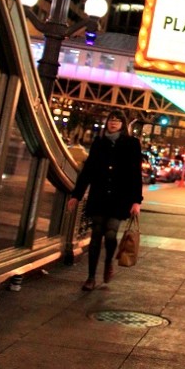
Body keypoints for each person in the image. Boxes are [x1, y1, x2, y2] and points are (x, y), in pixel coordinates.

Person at [66, 109, 143, 292]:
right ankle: (91, 277)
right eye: (110, 120)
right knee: (95, 237)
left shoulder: (132, 144)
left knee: (110, 234)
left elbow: (135, 173)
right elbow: (88, 171)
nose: (113, 123)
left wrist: (136, 201)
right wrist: (77, 195)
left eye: (117, 120)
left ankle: (108, 262)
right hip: (99, 195)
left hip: (119, 197)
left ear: (123, 124)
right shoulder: (99, 142)